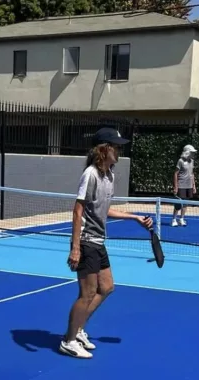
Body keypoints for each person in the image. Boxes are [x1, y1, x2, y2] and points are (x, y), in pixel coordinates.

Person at [60, 128, 154, 359]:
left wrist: (135, 217)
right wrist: (75, 247)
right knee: (88, 293)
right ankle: (68, 340)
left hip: (99, 240)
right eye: (116, 146)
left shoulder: (109, 176)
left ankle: (78, 329)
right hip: (86, 241)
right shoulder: (90, 174)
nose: (119, 150)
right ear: (104, 149)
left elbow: (103, 210)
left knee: (107, 287)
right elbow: (77, 210)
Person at [171, 144, 196, 227]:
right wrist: (176, 187)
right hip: (181, 185)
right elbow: (175, 173)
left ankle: (181, 219)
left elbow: (192, 174)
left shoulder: (192, 161)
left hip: (189, 186)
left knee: (185, 204)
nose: (193, 154)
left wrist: (194, 186)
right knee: (178, 204)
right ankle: (174, 219)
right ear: (187, 152)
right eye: (192, 152)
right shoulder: (180, 161)